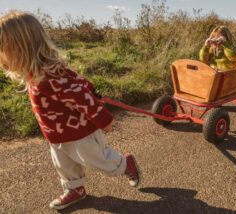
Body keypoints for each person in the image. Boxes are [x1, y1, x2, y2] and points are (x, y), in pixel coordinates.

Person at [0, 11, 140, 210]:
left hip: (80, 134)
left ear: (21, 47)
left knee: (99, 161)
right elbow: (78, 80)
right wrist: (91, 88)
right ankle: (75, 189)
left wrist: (104, 120)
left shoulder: (50, 76)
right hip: (57, 135)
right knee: (64, 165)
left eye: (3, 49)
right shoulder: (36, 73)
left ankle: (126, 163)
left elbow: (79, 94)